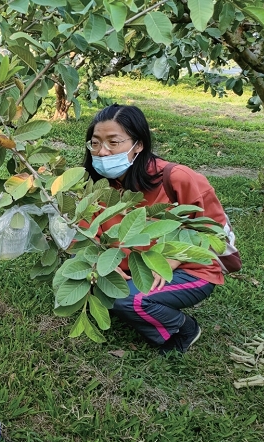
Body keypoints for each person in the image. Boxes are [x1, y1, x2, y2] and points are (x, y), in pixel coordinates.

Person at [82, 104, 228, 354]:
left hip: (192, 270)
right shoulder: (97, 185)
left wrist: (172, 258)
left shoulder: (178, 178)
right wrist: (100, 259)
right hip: (137, 266)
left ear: (138, 144)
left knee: (125, 299)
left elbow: (214, 233)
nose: (102, 153)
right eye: (95, 143)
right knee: (97, 285)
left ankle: (183, 328)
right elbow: (86, 230)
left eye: (113, 142)